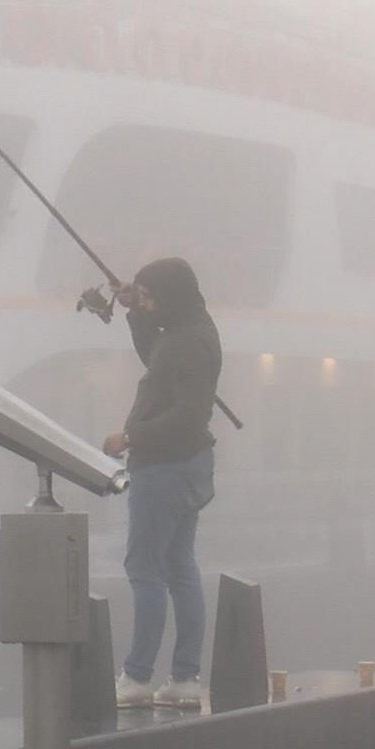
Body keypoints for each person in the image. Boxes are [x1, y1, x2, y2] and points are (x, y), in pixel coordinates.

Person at [102, 257, 222, 710]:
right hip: (191, 465)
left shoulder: (185, 342)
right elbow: (157, 356)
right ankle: (185, 679)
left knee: (145, 567)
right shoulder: (195, 329)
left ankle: (136, 678)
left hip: (165, 468)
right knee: (179, 566)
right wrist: (135, 312)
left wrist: (130, 437)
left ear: (169, 296)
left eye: (150, 296)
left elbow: (187, 414)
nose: (146, 302)